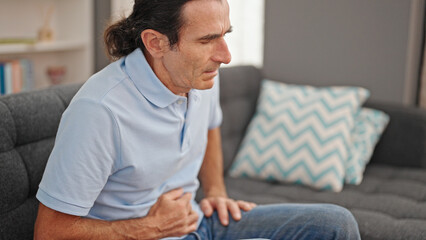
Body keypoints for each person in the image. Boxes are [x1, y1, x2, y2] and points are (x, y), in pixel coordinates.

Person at [34, 0, 361, 239]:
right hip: (144, 235)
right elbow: (49, 232)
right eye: (207, 40)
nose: (225, 55)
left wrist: (216, 190)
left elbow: (210, 127)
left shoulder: (200, 77)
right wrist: (150, 228)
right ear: (155, 42)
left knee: (335, 225)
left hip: (199, 223)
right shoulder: (99, 111)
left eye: (224, 35)